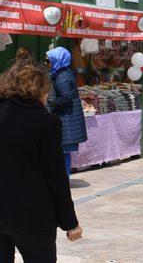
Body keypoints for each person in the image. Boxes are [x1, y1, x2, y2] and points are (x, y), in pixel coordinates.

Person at [0, 65, 83, 262]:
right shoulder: (46, 122)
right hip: (34, 215)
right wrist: (70, 222)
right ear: (40, 90)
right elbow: (56, 176)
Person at [46, 47, 87, 177]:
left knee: (63, 153)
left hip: (66, 121)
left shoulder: (62, 77)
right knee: (63, 153)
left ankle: (64, 179)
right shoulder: (62, 73)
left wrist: (50, 104)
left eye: (49, 60)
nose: (47, 63)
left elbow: (66, 98)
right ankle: (63, 178)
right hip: (67, 120)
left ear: (57, 60)